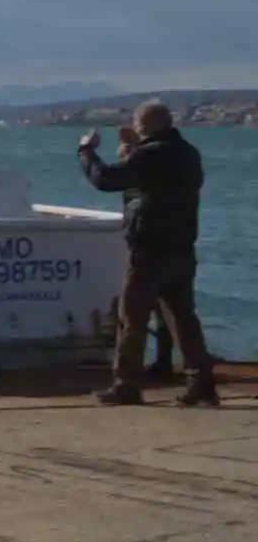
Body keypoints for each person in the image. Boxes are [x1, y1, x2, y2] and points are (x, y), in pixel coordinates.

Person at [78, 101, 219, 407]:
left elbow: (106, 179)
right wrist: (136, 147)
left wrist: (86, 152)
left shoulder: (151, 155)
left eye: (138, 124)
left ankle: (127, 384)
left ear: (146, 126)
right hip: (181, 247)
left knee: (133, 318)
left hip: (149, 248)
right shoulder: (188, 153)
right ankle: (201, 382)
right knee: (184, 318)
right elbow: (153, 180)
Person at [117, 125, 176, 380]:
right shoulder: (172, 164)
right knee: (171, 309)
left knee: (135, 313)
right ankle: (170, 361)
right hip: (168, 244)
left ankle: (130, 377)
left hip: (147, 247)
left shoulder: (142, 175)